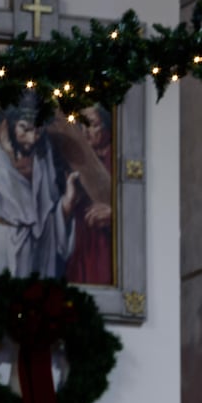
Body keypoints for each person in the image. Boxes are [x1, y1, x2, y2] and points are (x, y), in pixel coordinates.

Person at [0, 92, 79, 279]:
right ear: (9, 123)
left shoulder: (43, 154)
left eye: (38, 130)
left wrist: (66, 205)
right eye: (24, 129)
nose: (32, 138)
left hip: (37, 255)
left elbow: (46, 211)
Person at [65, 105, 114, 286]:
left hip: (108, 249)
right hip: (83, 243)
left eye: (92, 125)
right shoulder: (78, 160)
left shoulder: (119, 159)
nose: (85, 132)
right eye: (81, 126)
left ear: (107, 125)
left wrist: (115, 216)